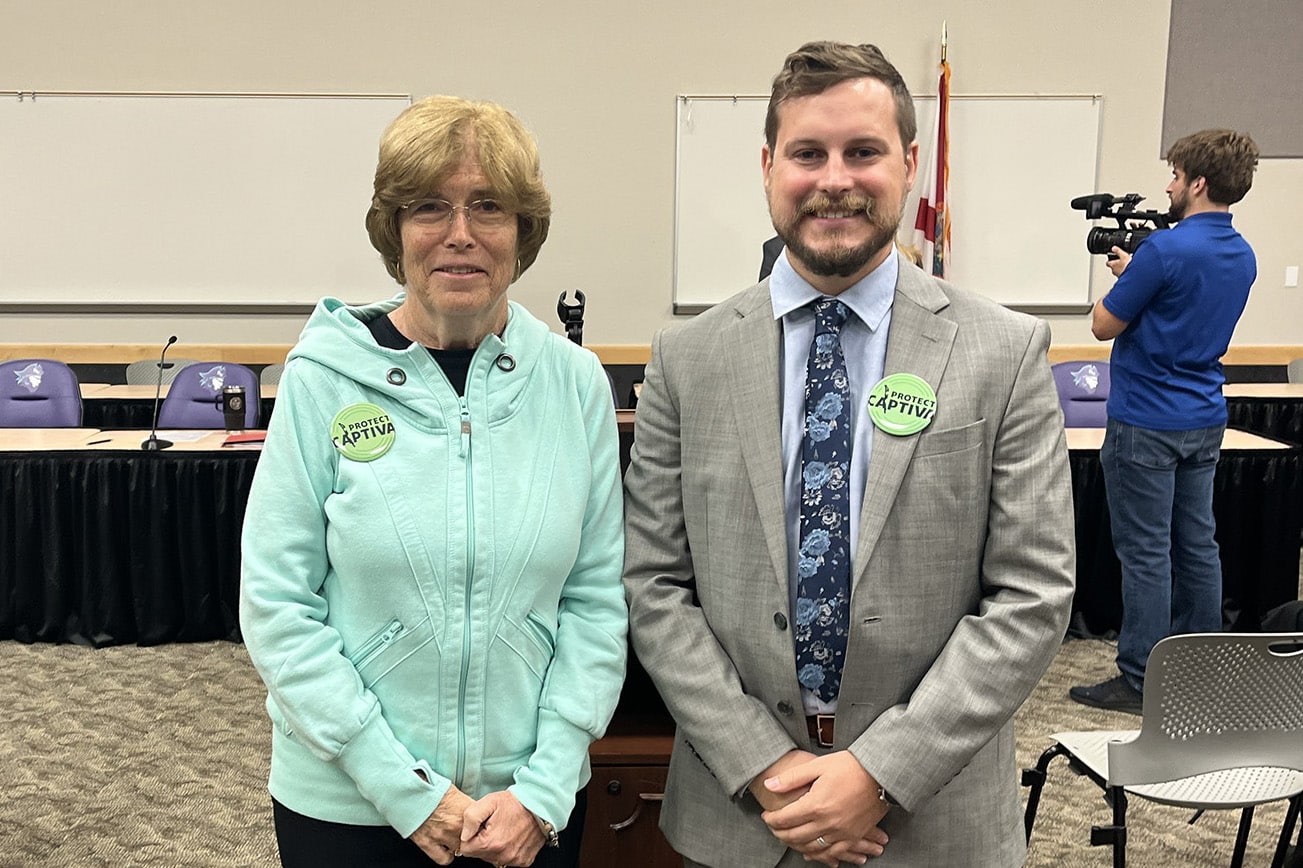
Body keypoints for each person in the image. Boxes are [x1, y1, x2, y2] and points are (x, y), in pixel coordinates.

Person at [622, 40, 1075, 867]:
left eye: (862, 151)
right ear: (767, 167)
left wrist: (881, 770)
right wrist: (763, 765)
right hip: (740, 815)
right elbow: (653, 583)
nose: (834, 179)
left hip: (932, 822)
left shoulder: (1003, 352)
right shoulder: (688, 359)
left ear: (908, 165)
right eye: (807, 153)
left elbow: (1032, 592)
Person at [239, 95, 628, 868]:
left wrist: (544, 788)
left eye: (488, 206)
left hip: (528, 807)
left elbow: (594, 602)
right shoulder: (322, 379)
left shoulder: (574, 384)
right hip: (349, 804)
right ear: (394, 229)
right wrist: (406, 790)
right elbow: (277, 604)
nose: (459, 233)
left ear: (522, 230)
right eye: (428, 207)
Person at [1070, 129, 1259, 714]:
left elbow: (1103, 325)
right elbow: (1181, 306)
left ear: (1198, 182)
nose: (1169, 186)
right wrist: (1140, 274)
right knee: (1198, 545)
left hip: (1146, 421)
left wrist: (1129, 277)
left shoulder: (1165, 251)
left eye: (1175, 176)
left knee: (1146, 553)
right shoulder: (1242, 254)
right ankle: (1199, 670)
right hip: (1204, 417)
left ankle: (1139, 678)